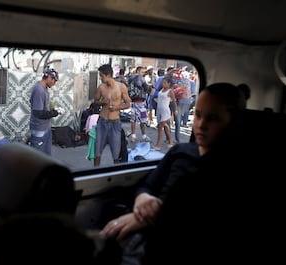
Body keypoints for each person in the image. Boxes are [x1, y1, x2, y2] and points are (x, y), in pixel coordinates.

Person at [99, 82, 250, 263]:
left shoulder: (236, 170)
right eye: (198, 116)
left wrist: (150, 219)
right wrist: (143, 198)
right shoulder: (180, 152)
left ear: (233, 122)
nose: (201, 125)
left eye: (213, 119)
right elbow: (148, 184)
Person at [93, 64, 131, 166]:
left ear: (108, 75)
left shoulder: (121, 87)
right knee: (97, 152)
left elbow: (128, 104)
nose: (100, 78)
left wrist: (116, 107)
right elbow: (94, 102)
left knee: (116, 153)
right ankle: (95, 174)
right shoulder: (101, 87)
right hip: (102, 122)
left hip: (115, 123)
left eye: (101, 76)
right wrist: (102, 103)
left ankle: (116, 173)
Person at [29, 67, 63, 155]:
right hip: (39, 128)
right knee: (37, 156)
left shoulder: (44, 89)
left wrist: (53, 109)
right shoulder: (39, 90)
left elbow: (43, 108)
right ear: (48, 78)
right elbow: (38, 113)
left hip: (46, 127)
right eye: (54, 81)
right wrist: (54, 113)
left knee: (46, 154)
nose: (54, 84)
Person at [127, 66, 151, 143]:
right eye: (142, 72)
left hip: (133, 102)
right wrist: (149, 87)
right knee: (143, 120)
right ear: (138, 71)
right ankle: (143, 136)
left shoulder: (130, 78)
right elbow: (146, 88)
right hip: (141, 103)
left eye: (144, 72)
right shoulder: (140, 78)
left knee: (133, 120)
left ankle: (134, 136)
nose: (143, 74)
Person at [153, 77, 177, 151]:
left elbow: (174, 101)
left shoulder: (170, 91)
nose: (163, 84)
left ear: (169, 84)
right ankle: (170, 141)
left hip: (165, 111)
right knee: (166, 127)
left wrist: (175, 110)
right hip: (159, 110)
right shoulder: (161, 90)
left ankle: (158, 144)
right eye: (163, 83)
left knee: (160, 127)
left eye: (165, 83)